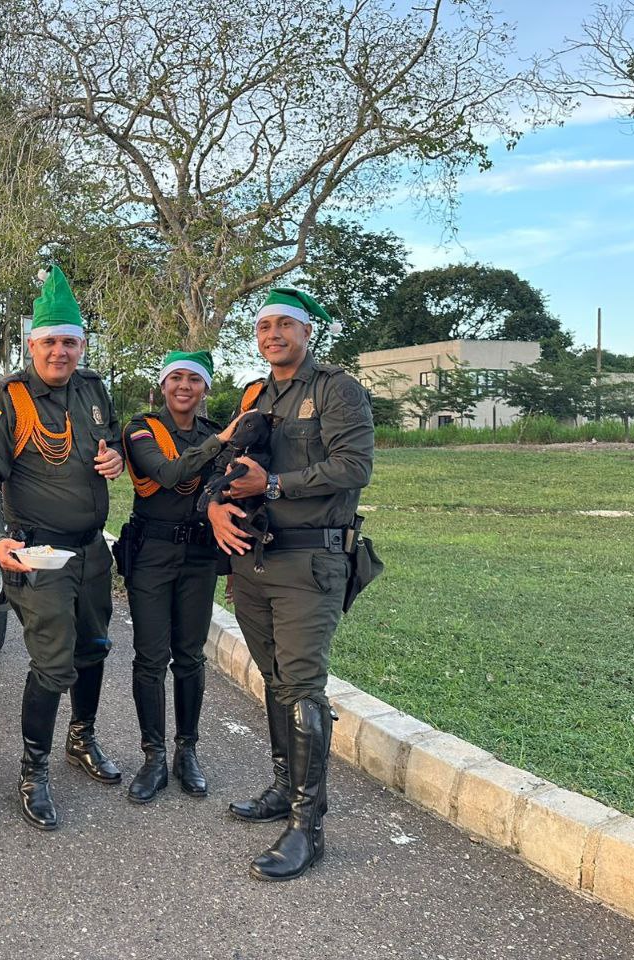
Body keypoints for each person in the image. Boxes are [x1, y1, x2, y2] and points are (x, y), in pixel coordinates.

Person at [205, 287, 374, 881]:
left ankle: (307, 827)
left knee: (302, 686)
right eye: (263, 326)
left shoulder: (335, 389)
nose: (272, 335)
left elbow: (355, 467)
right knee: (276, 681)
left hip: (310, 561)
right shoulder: (256, 395)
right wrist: (216, 507)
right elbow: (227, 467)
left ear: (307, 331)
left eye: (284, 325)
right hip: (254, 560)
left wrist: (273, 486)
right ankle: (283, 787)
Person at [0, 265, 125, 831]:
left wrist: (117, 457)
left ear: (81, 345)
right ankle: (33, 771)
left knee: (94, 647)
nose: (60, 352)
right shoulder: (5, 398)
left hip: (91, 551)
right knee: (54, 662)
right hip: (38, 553)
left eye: (70, 342)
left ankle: (81, 739)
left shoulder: (93, 389)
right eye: (50, 341)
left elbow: (112, 441)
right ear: (32, 344)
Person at [121, 351, 233, 804]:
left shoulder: (213, 433)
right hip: (151, 552)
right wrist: (220, 443)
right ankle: (153, 756)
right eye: (176, 378)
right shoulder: (141, 429)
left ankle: (187, 751)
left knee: (189, 656)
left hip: (200, 554)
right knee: (150, 657)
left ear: (205, 388)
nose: (184, 386)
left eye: (194, 379)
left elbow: (224, 489)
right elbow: (168, 475)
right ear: (163, 385)